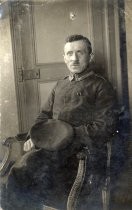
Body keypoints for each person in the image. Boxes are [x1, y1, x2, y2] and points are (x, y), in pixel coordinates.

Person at [2, 34, 118, 210]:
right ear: (64, 58)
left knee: (25, 170)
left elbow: (105, 126)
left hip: (79, 152)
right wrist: (35, 136)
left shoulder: (100, 86)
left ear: (90, 56)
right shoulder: (60, 85)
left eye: (80, 52)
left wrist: (64, 136)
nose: (74, 58)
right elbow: (44, 115)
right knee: (19, 173)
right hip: (51, 148)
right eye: (69, 53)